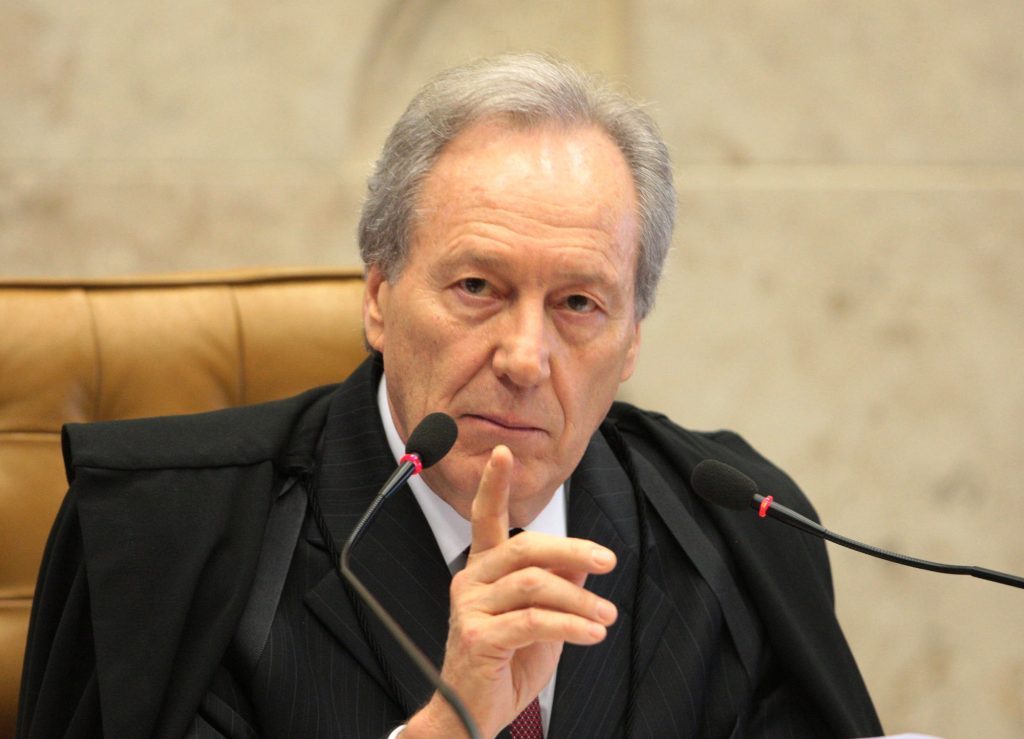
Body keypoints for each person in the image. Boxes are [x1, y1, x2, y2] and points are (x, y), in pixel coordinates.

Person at [18, 53, 882, 738]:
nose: (524, 357)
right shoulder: (169, 540)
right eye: (477, 287)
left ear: (631, 342)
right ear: (378, 296)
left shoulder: (737, 532)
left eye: (579, 303)